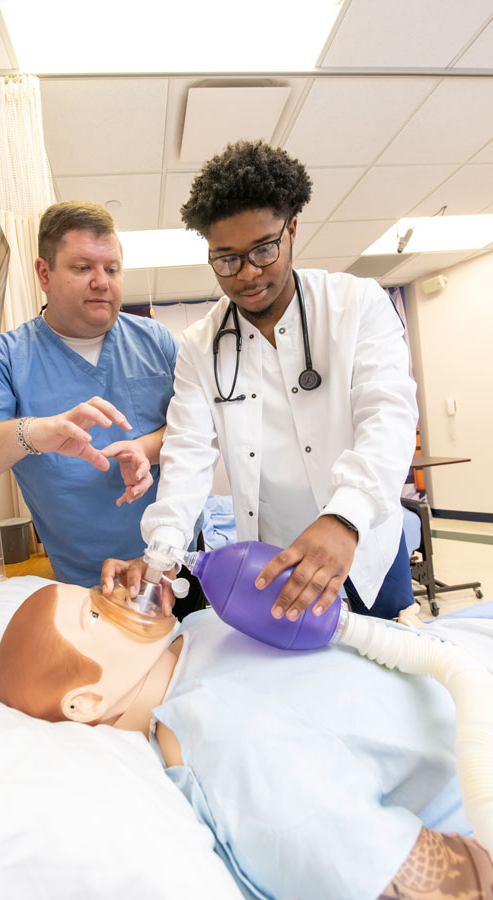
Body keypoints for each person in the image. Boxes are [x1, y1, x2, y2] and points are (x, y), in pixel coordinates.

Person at [0, 580, 493, 900]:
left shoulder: (199, 626)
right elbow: (433, 885)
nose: (117, 594)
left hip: (462, 637)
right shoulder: (225, 744)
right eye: (94, 615)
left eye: (95, 592)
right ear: (87, 702)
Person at [113, 140, 419, 622]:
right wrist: (161, 555)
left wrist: (343, 517)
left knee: (386, 667)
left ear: (292, 228)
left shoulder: (356, 305)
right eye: (227, 259)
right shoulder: (200, 345)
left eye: (264, 250)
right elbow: (188, 454)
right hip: (275, 559)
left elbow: (389, 417)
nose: (248, 274)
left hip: (362, 540)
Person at [0, 202, 179, 587]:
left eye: (112, 269)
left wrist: (144, 448)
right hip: (87, 583)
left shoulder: (156, 341)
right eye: (83, 268)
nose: (102, 281)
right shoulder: (5, 358)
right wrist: (33, 432)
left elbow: (199, 427)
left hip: (173, 562)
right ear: (44, 273)